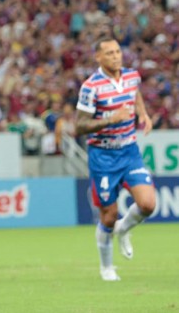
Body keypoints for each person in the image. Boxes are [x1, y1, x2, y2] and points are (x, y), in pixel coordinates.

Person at [75, 35, 155, 282]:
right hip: (103, 157)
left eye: (117, 51)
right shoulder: (91, 87)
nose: (115, 56)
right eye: (109, 53)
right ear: (98, 57)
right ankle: (107, 268)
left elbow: (135, 95)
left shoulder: (132, 76)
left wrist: (144, 115)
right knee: (108, 216)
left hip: (129, 152)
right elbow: (79, 126)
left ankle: (124, 229)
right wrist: (111, 119)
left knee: (148, 204)